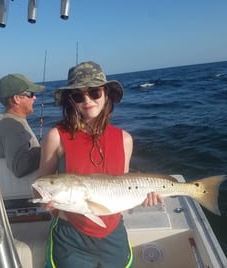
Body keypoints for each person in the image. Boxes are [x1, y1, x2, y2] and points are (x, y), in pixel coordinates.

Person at [38, 61, 163, 268]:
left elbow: (122, 187)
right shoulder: (56, 136)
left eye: (94, 93)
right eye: (78, 96)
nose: (87, 100)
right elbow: (39, 184)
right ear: (71, 101)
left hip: (114, 235)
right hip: (71, 238)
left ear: (106, 94)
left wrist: (143, 197)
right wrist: (47, 204)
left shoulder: (125, 139)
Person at [0, 73, 44, 178]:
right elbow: (20, 167)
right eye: (30, 94)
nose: (34, 98)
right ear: (17, 98)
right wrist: (47, 148)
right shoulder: (11, 125)